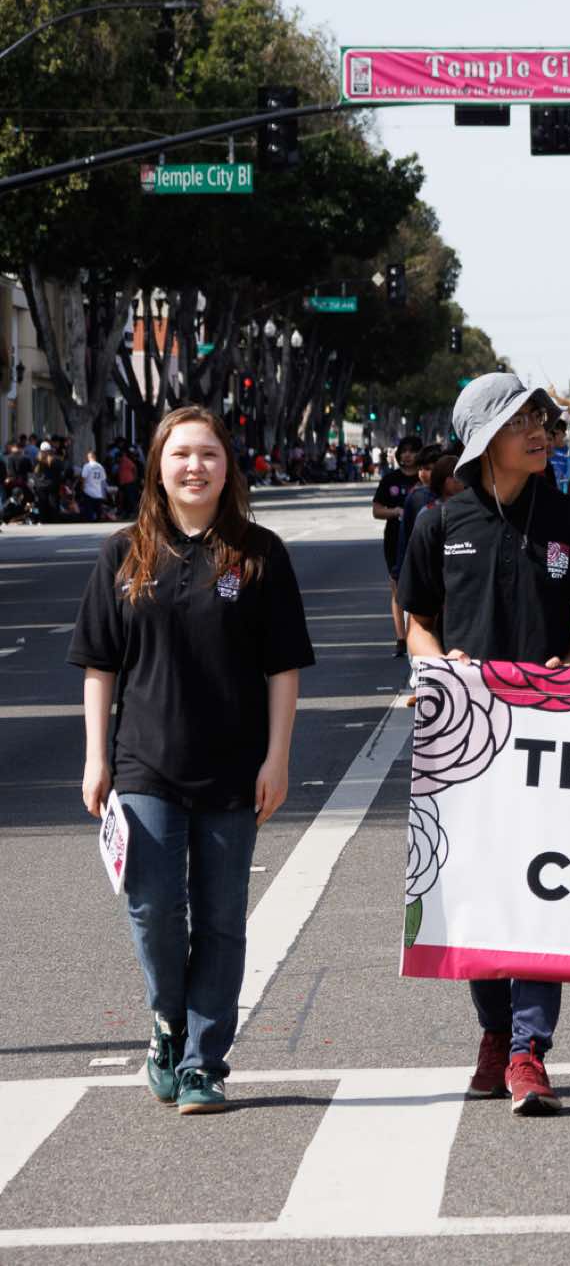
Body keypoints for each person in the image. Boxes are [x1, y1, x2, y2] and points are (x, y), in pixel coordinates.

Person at [69, 406, 314, 1114]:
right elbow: (99, 666)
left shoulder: (259, 553)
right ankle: (168, 1023)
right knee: (152, 907)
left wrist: (278, 758)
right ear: (158, 467)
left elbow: (283, 668)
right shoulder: (124, 553)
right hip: (144, 763)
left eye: (208, 453)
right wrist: (95, 759)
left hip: (234, 768)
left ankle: (204, 1061)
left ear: (228, 467)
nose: (195, 466)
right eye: (180, 454)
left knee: (221, 919)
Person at [400, 375, 570, 1116]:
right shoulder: (439, 520)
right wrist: (443, 670)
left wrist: (568, 674)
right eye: (519, 420)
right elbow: (417, 623)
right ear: (482, 438)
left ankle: (529, 1047)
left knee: (539, 887)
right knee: (476, 889)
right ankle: (494, 1031)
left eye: (540, 419)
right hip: (464, 738)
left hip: (549, 734)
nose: (538, 431)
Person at [374, 438, 421, 658]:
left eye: (412, 451)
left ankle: (420, 633)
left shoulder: (425, 477)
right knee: (397, 586)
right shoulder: (390, 479)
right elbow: (376, 510)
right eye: (404, 451)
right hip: (395, 539)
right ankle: (401, 638)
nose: (407, 455)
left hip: (420, 537)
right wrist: (396, 512)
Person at [78, 449, 108, 521]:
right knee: (98, 510)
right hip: (98, 492)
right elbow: (103, 480)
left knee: (89, 510)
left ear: (89, 457)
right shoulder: (100, 466)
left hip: (88, 491)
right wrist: (104, 492)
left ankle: (90, 521)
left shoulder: (87, 466)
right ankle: (98, 520)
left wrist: (82, 487)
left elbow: (83, 477)